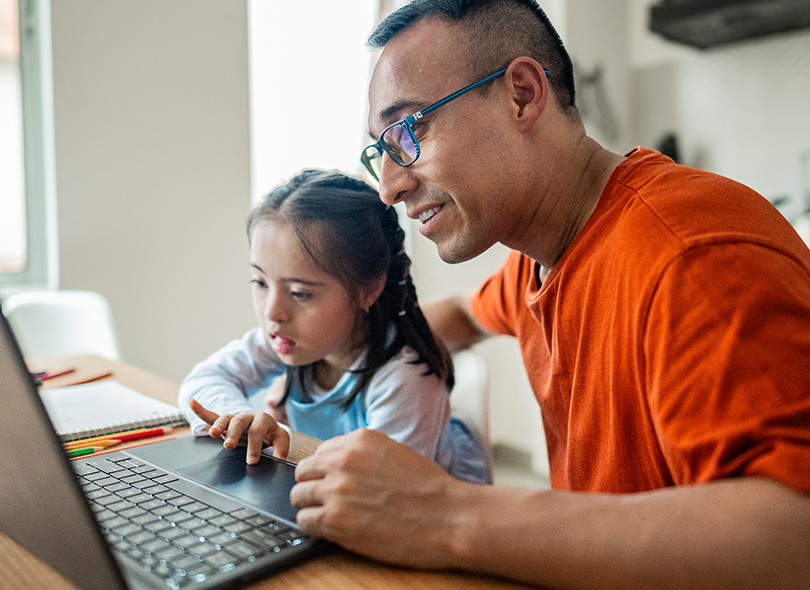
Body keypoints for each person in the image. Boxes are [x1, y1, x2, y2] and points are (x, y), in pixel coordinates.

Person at [289, 1, 810, 588]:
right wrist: (311, 364)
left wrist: (446, 513)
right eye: (380, 149)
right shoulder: (541, 257)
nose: (389, 186)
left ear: (521, 94)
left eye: (408, 130)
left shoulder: (690, 253)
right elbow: (462, 313)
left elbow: (793, 533)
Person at [178, 169, 491, 485]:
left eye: (300, 293)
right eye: (260, 282)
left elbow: (385, 492)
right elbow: (203, 381)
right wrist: (237, 418)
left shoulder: (405, 380)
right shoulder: (292, 336)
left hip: (424, 513)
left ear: (368, 289)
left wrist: (284, 436)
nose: (273, 312)